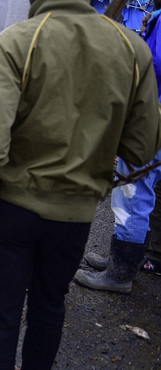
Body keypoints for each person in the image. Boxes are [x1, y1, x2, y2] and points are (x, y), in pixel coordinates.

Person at [0, 0, 161, 369]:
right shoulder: (131, 48)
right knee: (49, 309)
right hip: (73, 219)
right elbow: (142, 146)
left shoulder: (18, 42)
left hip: (6, 214)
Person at [74, 0, 161, 293]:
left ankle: (119, 275)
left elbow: (153, 65)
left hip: (152, 116)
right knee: (139, 192)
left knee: (133, 193)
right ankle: (123, 262)